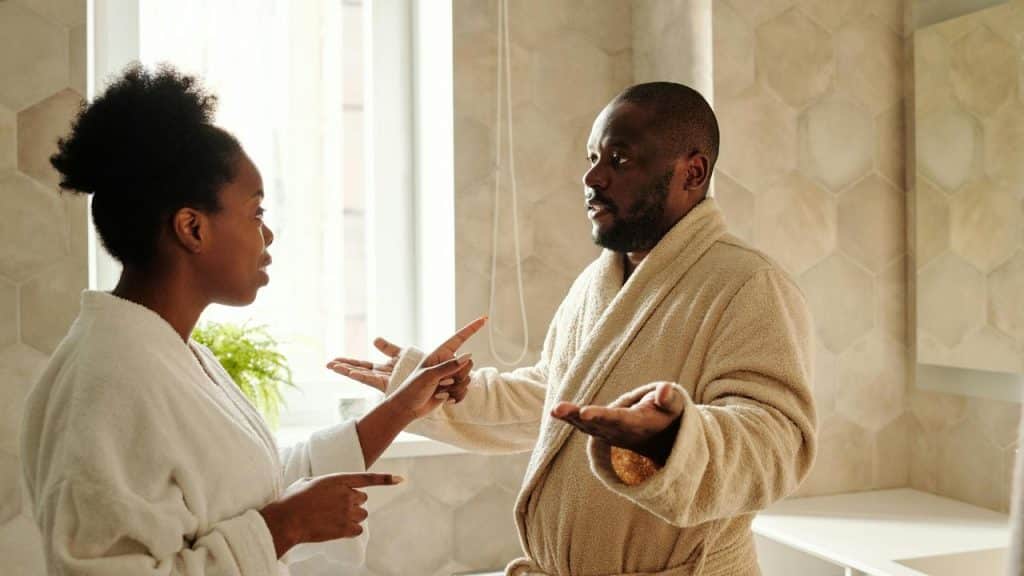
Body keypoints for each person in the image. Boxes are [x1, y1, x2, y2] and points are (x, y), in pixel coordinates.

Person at [331, 82, 818, 575]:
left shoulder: (748, 283)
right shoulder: (597, 282)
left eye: (619, 159)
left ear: (692, 172)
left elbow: (776, 443)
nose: (592, 176)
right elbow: (558, 398)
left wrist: (672, 441)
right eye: (592, 156)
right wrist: (449, 392)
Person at [19, 64, 480, 576]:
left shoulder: (167, 355)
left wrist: (402, 407)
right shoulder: (108, 383)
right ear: (192, 228)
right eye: (256, 213)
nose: (269, 236)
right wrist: (285, 528)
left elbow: (249, 491)